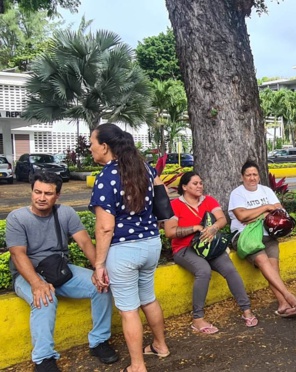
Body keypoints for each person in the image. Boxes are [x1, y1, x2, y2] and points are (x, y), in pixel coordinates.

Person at [6, 172, 118, 372]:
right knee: (45, 299)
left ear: (57, 195)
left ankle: (99, 342)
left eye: (48, 193)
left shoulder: (65, 213)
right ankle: (43, 358)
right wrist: (37, 284)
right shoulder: (18, 218)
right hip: (27, 273)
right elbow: (18, 255)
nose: (41, 197)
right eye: (37, 192)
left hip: (58, 268)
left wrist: (98, 269)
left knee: (101, 286)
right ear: (31, 192)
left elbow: (84, 241)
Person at [89, 123, 170, 372]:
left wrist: (99, 264)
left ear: (104, 146)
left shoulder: (105, 178)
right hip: (151, 244)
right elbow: (161, 198)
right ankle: (161, 345)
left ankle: (137, 365)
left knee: (128, 310)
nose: (90, 148)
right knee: (148, 298)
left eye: (92, 143)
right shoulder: (143, 167)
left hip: (124, 250)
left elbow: (104, 228)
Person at [164, 171, 258, 334]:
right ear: (184, 187)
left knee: (229, 269)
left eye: (201, 183)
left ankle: (246, 310)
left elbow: (221, 219)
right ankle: (198, 319)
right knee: (203, 270)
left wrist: (214, 228)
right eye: (195, 183)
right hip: (184, 248)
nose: (199, 186)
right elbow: (170, 232)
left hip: (210, 246)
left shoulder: (208, 200)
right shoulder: (175, 205)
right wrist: (195, 228)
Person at [228, 160, 296, 317]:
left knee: (273, 267)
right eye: (248, 175)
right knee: (263, 261)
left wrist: (256, 215)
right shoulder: (237, 193)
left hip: (268, 235)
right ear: (242, 177)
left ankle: (283, 305)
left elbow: (279, 210)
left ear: (259, 177)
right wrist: (265, 208)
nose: (252, 177)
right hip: (245, 236)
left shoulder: (266, 190)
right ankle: (288, 295)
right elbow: (241, 216)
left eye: (255, 174)